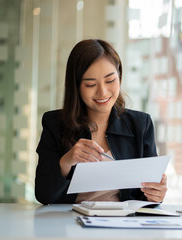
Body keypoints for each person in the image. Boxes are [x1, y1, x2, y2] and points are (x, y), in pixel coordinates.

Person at [35, 39, 167, 205]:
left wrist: (156, 194)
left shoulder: (141, 124)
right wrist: (66, 161)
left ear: (119, 76)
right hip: (69, 223)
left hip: (123, 226)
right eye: (90, 84)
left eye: (110, 80)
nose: (102, 92)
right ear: (76, 86)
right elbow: (43, 195)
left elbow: (146, 197)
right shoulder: (54, 123)